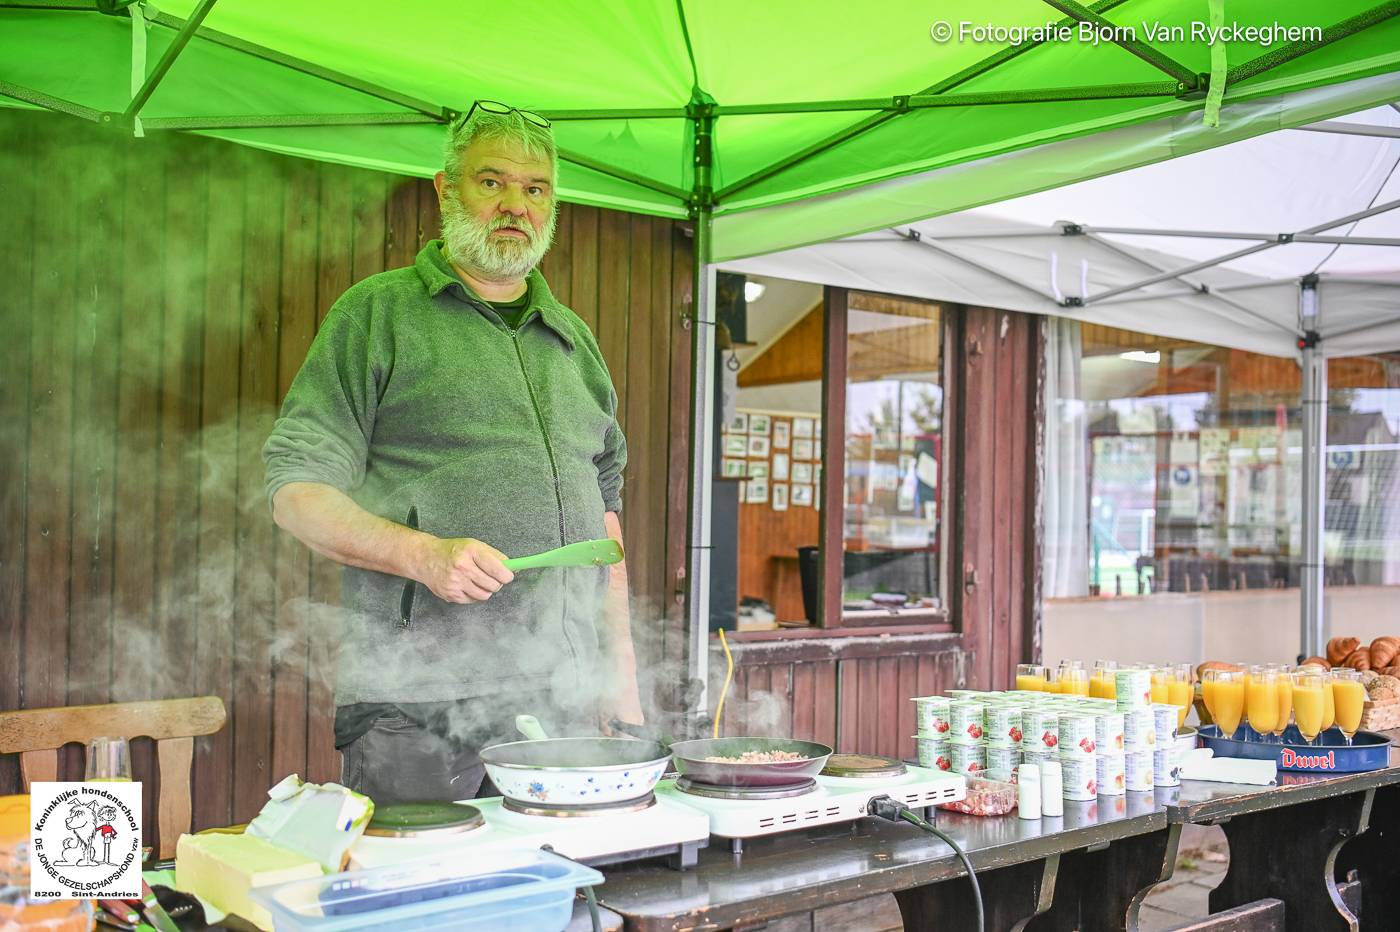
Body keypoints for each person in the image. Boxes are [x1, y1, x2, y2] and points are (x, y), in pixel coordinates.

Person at [263, 101, 642, 804]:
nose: (516, 206)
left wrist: (620, 688)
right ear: (444, 190)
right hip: (413, 705)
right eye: (491, 182)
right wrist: (421, 554)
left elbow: (606, 529)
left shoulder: (574, 340)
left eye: (536, 189)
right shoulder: (377, 314)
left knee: (551, 905)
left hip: (558, 701)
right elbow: (295, 492)